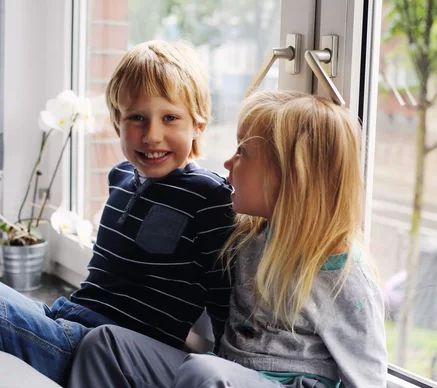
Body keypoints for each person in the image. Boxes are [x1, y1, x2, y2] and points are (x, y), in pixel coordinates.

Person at [67, 91, 388, 388]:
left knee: (206, 373)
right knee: (104, 343)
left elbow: (368, 378)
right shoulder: (249, 238)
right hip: (227, 372)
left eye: (242, 152)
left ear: (289, 175)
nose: (227, 163)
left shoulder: (342, 275)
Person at [0, 40, 234, 385]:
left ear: (198, 124)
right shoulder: (121, 176)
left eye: (170, 118)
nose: (152, 135)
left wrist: (227, 368)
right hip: (64, 319)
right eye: (136, 118)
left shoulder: (208, 194)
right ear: (116, 122)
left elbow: (223, 294)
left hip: (107, 354)